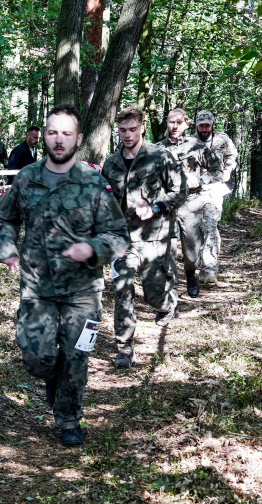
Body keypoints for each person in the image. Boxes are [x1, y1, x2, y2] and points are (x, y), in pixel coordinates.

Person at [0, 105, 129, 446]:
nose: (58, 139)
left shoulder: (94, 183)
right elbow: (5, 218)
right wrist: (7, 247)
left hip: (83, 290)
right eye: (53, 132)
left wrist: (92, 248)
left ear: (78, 139)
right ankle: (52, 378)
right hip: (37, 286)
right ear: (44, 133)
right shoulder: (26, 178)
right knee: (39, 358)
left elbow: (119, 236)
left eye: (66, 133)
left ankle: (68, 418)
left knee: (77, 355)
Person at [102, 107, 188, 367]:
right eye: (122, 130)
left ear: (142, 128)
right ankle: (124, 349)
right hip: (123, 240)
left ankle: (168, 303)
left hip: (155, 238)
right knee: (122, 287)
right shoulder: (111, 163)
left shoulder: (160, 156)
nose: (127, 135)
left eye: (132, 129)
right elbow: (105, 199)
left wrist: (156, 207)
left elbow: (180, 190)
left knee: (154, 296)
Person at [159, 108, 222, 298]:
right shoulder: (157, 148)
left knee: (192, 252)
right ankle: (170, 291)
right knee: (167, 250)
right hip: (167, 206)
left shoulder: (196, 146)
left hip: (191, 206)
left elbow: (217, 169)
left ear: (187, 123)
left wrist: (202, 181)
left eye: (179, 122)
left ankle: (190, 274)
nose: (175, 126)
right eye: (171, 122)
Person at [193, 109, 238, 284]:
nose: (204, 129)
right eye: (201, 126)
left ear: (212, 125)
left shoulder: (222, 139)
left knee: (210, 227)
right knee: (194, 230)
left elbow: (232, 155)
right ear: (196, 125)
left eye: (207, 125)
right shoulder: (189, 141)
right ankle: (196, 265)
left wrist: (227, 170)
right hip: (194, 191)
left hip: (214, 189)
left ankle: (210, 269)